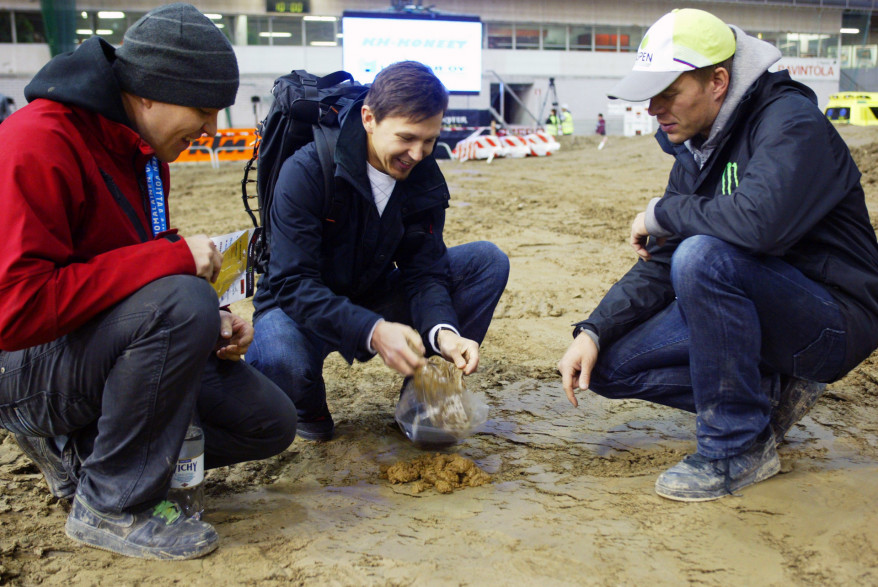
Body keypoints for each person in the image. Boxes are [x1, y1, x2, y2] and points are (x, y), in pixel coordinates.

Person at [0, 3, 297, 560]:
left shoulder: (143, 153)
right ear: (148, 92)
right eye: (205, 111)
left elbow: (133, 283)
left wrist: (210, 319)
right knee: (181, 293)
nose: (212, 130)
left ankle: (84, 457)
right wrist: (171, 267)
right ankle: (110, 506)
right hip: (20, 363)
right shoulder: (35, 143)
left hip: (86, 348)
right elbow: (14, 311)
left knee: (269, 422)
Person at [558, 8, 878, 502]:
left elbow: (758, 225)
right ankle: (767, 395)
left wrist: (664, 213)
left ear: (718, 81)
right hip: (757, 307)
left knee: (703, 256)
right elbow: (662, 260)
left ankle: (737, 448)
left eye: (669, 92)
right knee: (610, 364)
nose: (654, 109)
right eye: (651, 95)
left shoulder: (791, 122)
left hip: (832, 320)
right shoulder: (696, 147)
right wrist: (595, 329)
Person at [247, 61, 509, 441]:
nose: (418, 154)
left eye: (430, 140)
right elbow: (292, 282)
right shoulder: (305, 171)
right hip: (295, 307)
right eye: (406, 138)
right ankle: (307, 411)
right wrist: (372, 330)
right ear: (369, 118)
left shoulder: (421, 174)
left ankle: (426, 404)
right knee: (281, 361)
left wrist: (444, 333)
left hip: (372, 291)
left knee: (486, 261)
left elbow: (426, 271)